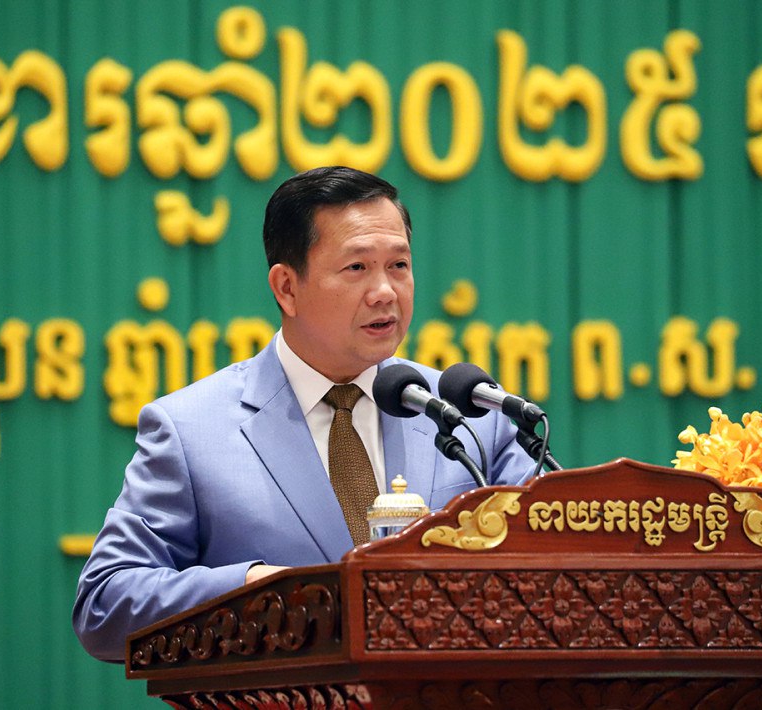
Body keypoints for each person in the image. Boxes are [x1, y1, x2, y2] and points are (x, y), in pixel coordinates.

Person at [73, 166, 534, 662]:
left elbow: (554, 558)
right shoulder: (189, 432)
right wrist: (257, 591)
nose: (385, 291)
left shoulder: (469, 411)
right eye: (357, 267)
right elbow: (105, 604)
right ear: (287, 288)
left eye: (399, 265)